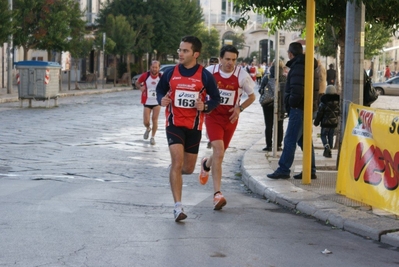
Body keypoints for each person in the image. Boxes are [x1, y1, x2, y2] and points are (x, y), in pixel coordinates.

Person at [156, 36, 220, 222]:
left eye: (185, 51)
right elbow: (160, 90)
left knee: (188, 168)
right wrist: (162, 99)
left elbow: (215, 98)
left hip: (194, 126)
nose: (180, 54)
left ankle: (175, 172)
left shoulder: (205, 75)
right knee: (176, 162)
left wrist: (205, 107)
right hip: (174, 123)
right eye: (180, 50)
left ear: (195, 54)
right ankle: (178, 207)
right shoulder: (170, 72)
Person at [198, 44, 256, 210]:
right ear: (221, 58)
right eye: (227, 59)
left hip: (230, 119)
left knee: (219, 154)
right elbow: (199, 89)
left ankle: (206, 165)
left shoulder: (241, 75)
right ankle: (217, 194)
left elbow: (252, 97)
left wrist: (239, 108)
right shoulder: (210, 72)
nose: (230, 63)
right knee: (219, 151)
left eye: (234, 60)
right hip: (213, 117)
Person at [267, 42, 318, 180]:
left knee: (290, 139)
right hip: (306, 107)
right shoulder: (305, 65)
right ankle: (310, 169)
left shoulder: (298, 67)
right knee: (304, 140)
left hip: (299, 109)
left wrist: (291, 103)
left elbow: (297, 89)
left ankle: (283, 169)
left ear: (290, 53)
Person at [259, 59, 285, 152]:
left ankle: (269, 145)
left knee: (268, 124)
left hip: (267, 104)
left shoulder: (267, 77)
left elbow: (260, 90)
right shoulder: (284, 78)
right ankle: (278, 145)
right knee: (280, 125)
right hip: (280, 104)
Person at [136, 60, 162, 145]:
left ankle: (152, 137)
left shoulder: (161, 76)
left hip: (157, 101)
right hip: (147, 101)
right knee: (146, 121)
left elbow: (167, 86)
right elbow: (137, 82)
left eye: (156, 67)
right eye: (153, 67)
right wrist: (140, 87)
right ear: (150, 67)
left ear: (159, 68)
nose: (154, 69)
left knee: (155, 119)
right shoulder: (145, 75)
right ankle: (148, 128)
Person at [313, 85, 340, 158]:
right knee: (330, 136)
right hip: (334, 123)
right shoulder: (338, 101)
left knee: (323, 135)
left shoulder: (324, 101)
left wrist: (316, 122)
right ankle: (329, 150)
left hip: (325, 123)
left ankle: (326, 146)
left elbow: (320, 113)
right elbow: (339, 112)